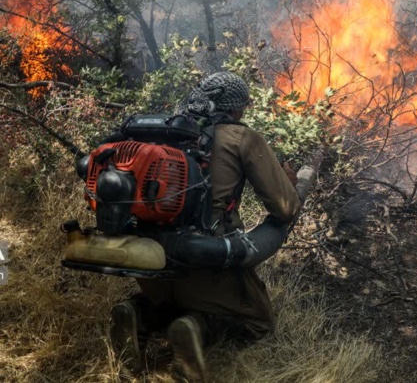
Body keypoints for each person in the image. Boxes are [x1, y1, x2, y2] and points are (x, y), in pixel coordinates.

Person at [110, 71, 301, 381]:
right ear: (236, 108)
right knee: (258, 322)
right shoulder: (241, 137)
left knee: (170, 299)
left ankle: (138, 314)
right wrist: (289, 184)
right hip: (209, 261)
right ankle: (197, 329)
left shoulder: (164, 131)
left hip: (147, 259)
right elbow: (285, 207)